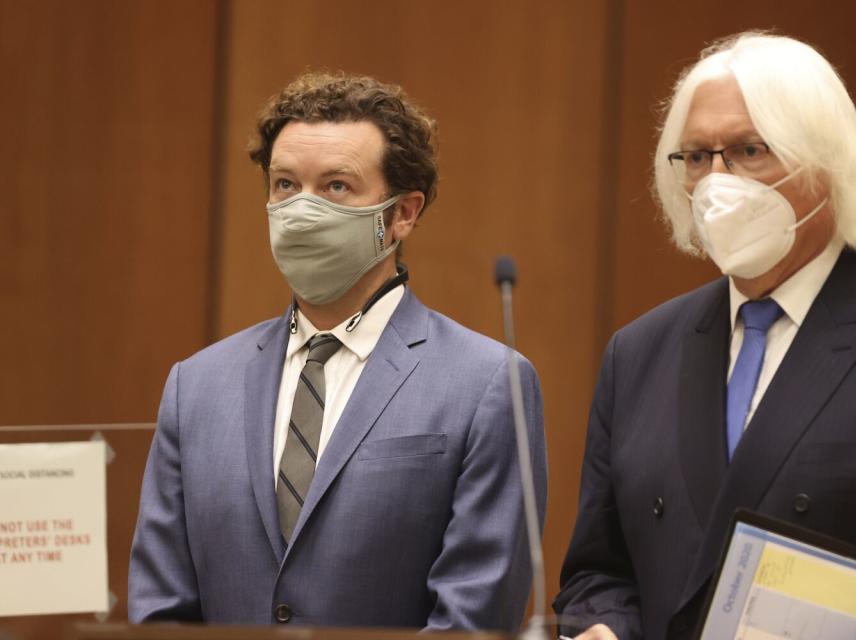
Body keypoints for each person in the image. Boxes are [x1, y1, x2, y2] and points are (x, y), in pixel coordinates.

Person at [554, 33, 856, 639]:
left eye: (747, 150)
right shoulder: (638, 352)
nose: (717, 182)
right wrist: (601, 627)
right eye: (696, 157)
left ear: (826, 162)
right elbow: (598, 572)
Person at [128, 71, 547, 631]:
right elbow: (160, 611)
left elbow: (472, 619)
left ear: (403, 213)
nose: (301, 209)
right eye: (284, 185)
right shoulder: (197, 385)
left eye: (335, 187)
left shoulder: (487, 383)